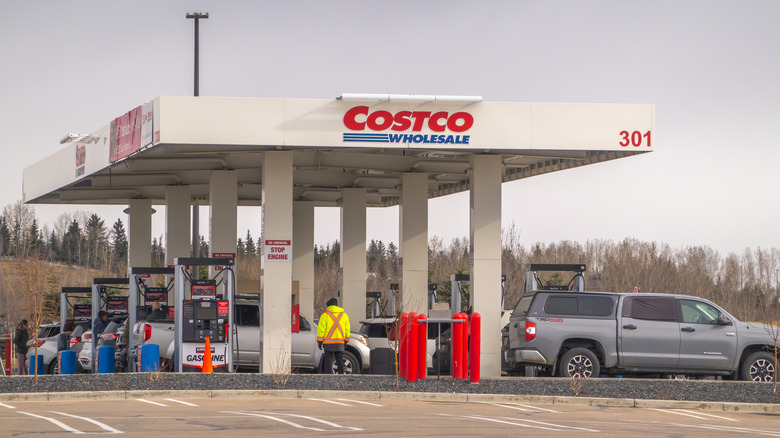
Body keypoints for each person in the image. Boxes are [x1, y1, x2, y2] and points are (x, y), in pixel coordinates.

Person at [316, 298, 350, 374]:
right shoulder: (344, 315)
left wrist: (319, 342)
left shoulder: (325, 316)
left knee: (328, 361)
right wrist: (346, 341)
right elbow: (347, 329)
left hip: (328, 343)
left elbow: (321, 330)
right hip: (340, 343)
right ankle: (341, 375)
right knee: (339, 360)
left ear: (328, 306)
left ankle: (329, 376)